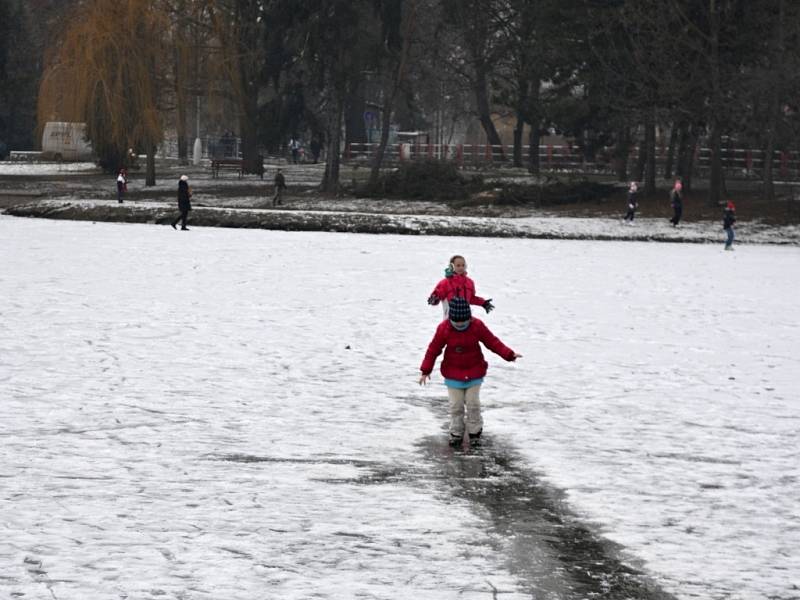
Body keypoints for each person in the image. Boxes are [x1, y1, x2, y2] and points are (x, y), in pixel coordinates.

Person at [419, 297, 521, 447]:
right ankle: (456, 433)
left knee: (473, 404)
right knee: (456, 406)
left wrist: (509, 354)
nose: (460, 324)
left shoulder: (477, 326)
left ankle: (474, 432)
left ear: (469, 317)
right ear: (451, 318)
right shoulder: (444, 328)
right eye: (457, 322)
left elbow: (492, 342)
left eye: (464, 322)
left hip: (474, 372)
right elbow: (433, 350)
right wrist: (425, 370)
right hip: (453, 374)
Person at [427, 255, 493, 318]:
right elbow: (438, 295)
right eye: (458, 265)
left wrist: (483, 303)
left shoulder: (469, 282)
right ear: (451, 267)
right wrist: (434, 299)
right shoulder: (445, 283)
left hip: (465, 318)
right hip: (450, 318)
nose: (461, 267)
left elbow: (471, 298)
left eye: (463, 265)